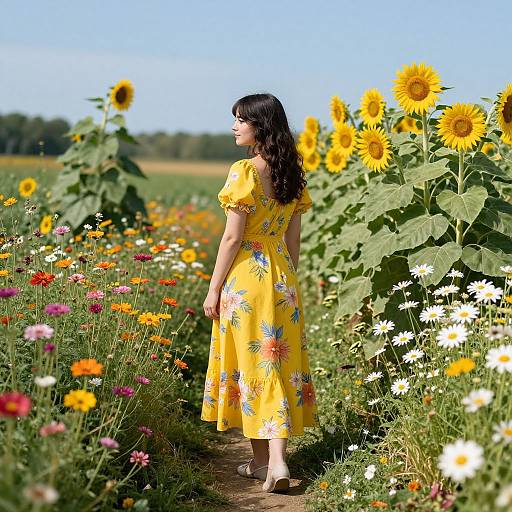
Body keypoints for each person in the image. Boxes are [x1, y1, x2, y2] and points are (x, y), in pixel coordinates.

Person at [201, 93, 320, 493]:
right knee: (276, 363)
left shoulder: (244, 171)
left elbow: (232, 237)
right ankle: (264, 462)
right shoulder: (292, 172)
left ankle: (275, 462)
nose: (234, 126)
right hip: (282, 278)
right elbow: (294, 240)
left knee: (251, 366)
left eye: (240, 120)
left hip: (247, 277)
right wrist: (284, 280)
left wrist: (214, 288)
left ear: (260, 126)